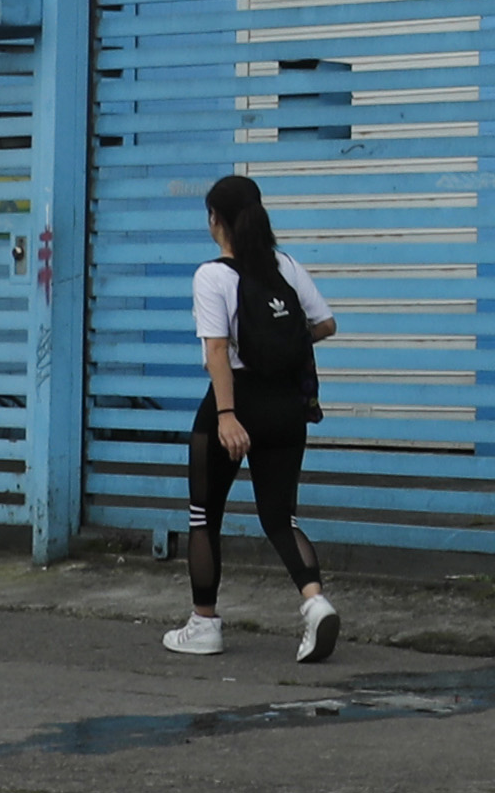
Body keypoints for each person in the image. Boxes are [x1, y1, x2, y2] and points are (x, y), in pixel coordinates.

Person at [162, 172, 339, 663]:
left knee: (204, 516)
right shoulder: (285, 265)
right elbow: (324, 324)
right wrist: (279, 346)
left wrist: (226, 416)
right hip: (287, 407)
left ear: (215, 219)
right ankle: (315, 603)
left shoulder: (213, 275)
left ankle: (204, 624)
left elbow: (216, 351)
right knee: (281, 518)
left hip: (235, 403)